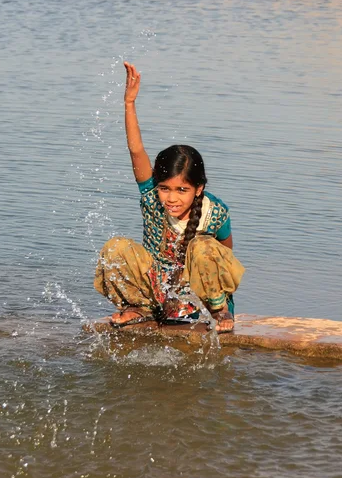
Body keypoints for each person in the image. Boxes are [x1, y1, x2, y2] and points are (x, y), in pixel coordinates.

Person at [94, 62, 245, 333]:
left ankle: (220, 312)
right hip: (157, 291)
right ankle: (138, 307)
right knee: (116, 247)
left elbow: (225, 258)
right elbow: (136, 150)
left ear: (198, 188)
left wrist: (196, 282)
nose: (171, 199)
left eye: (182, 190)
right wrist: (129, 103)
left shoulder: (215, 211)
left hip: (196, 297)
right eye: (165, 188)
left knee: (205, 248)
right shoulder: (152, 198)